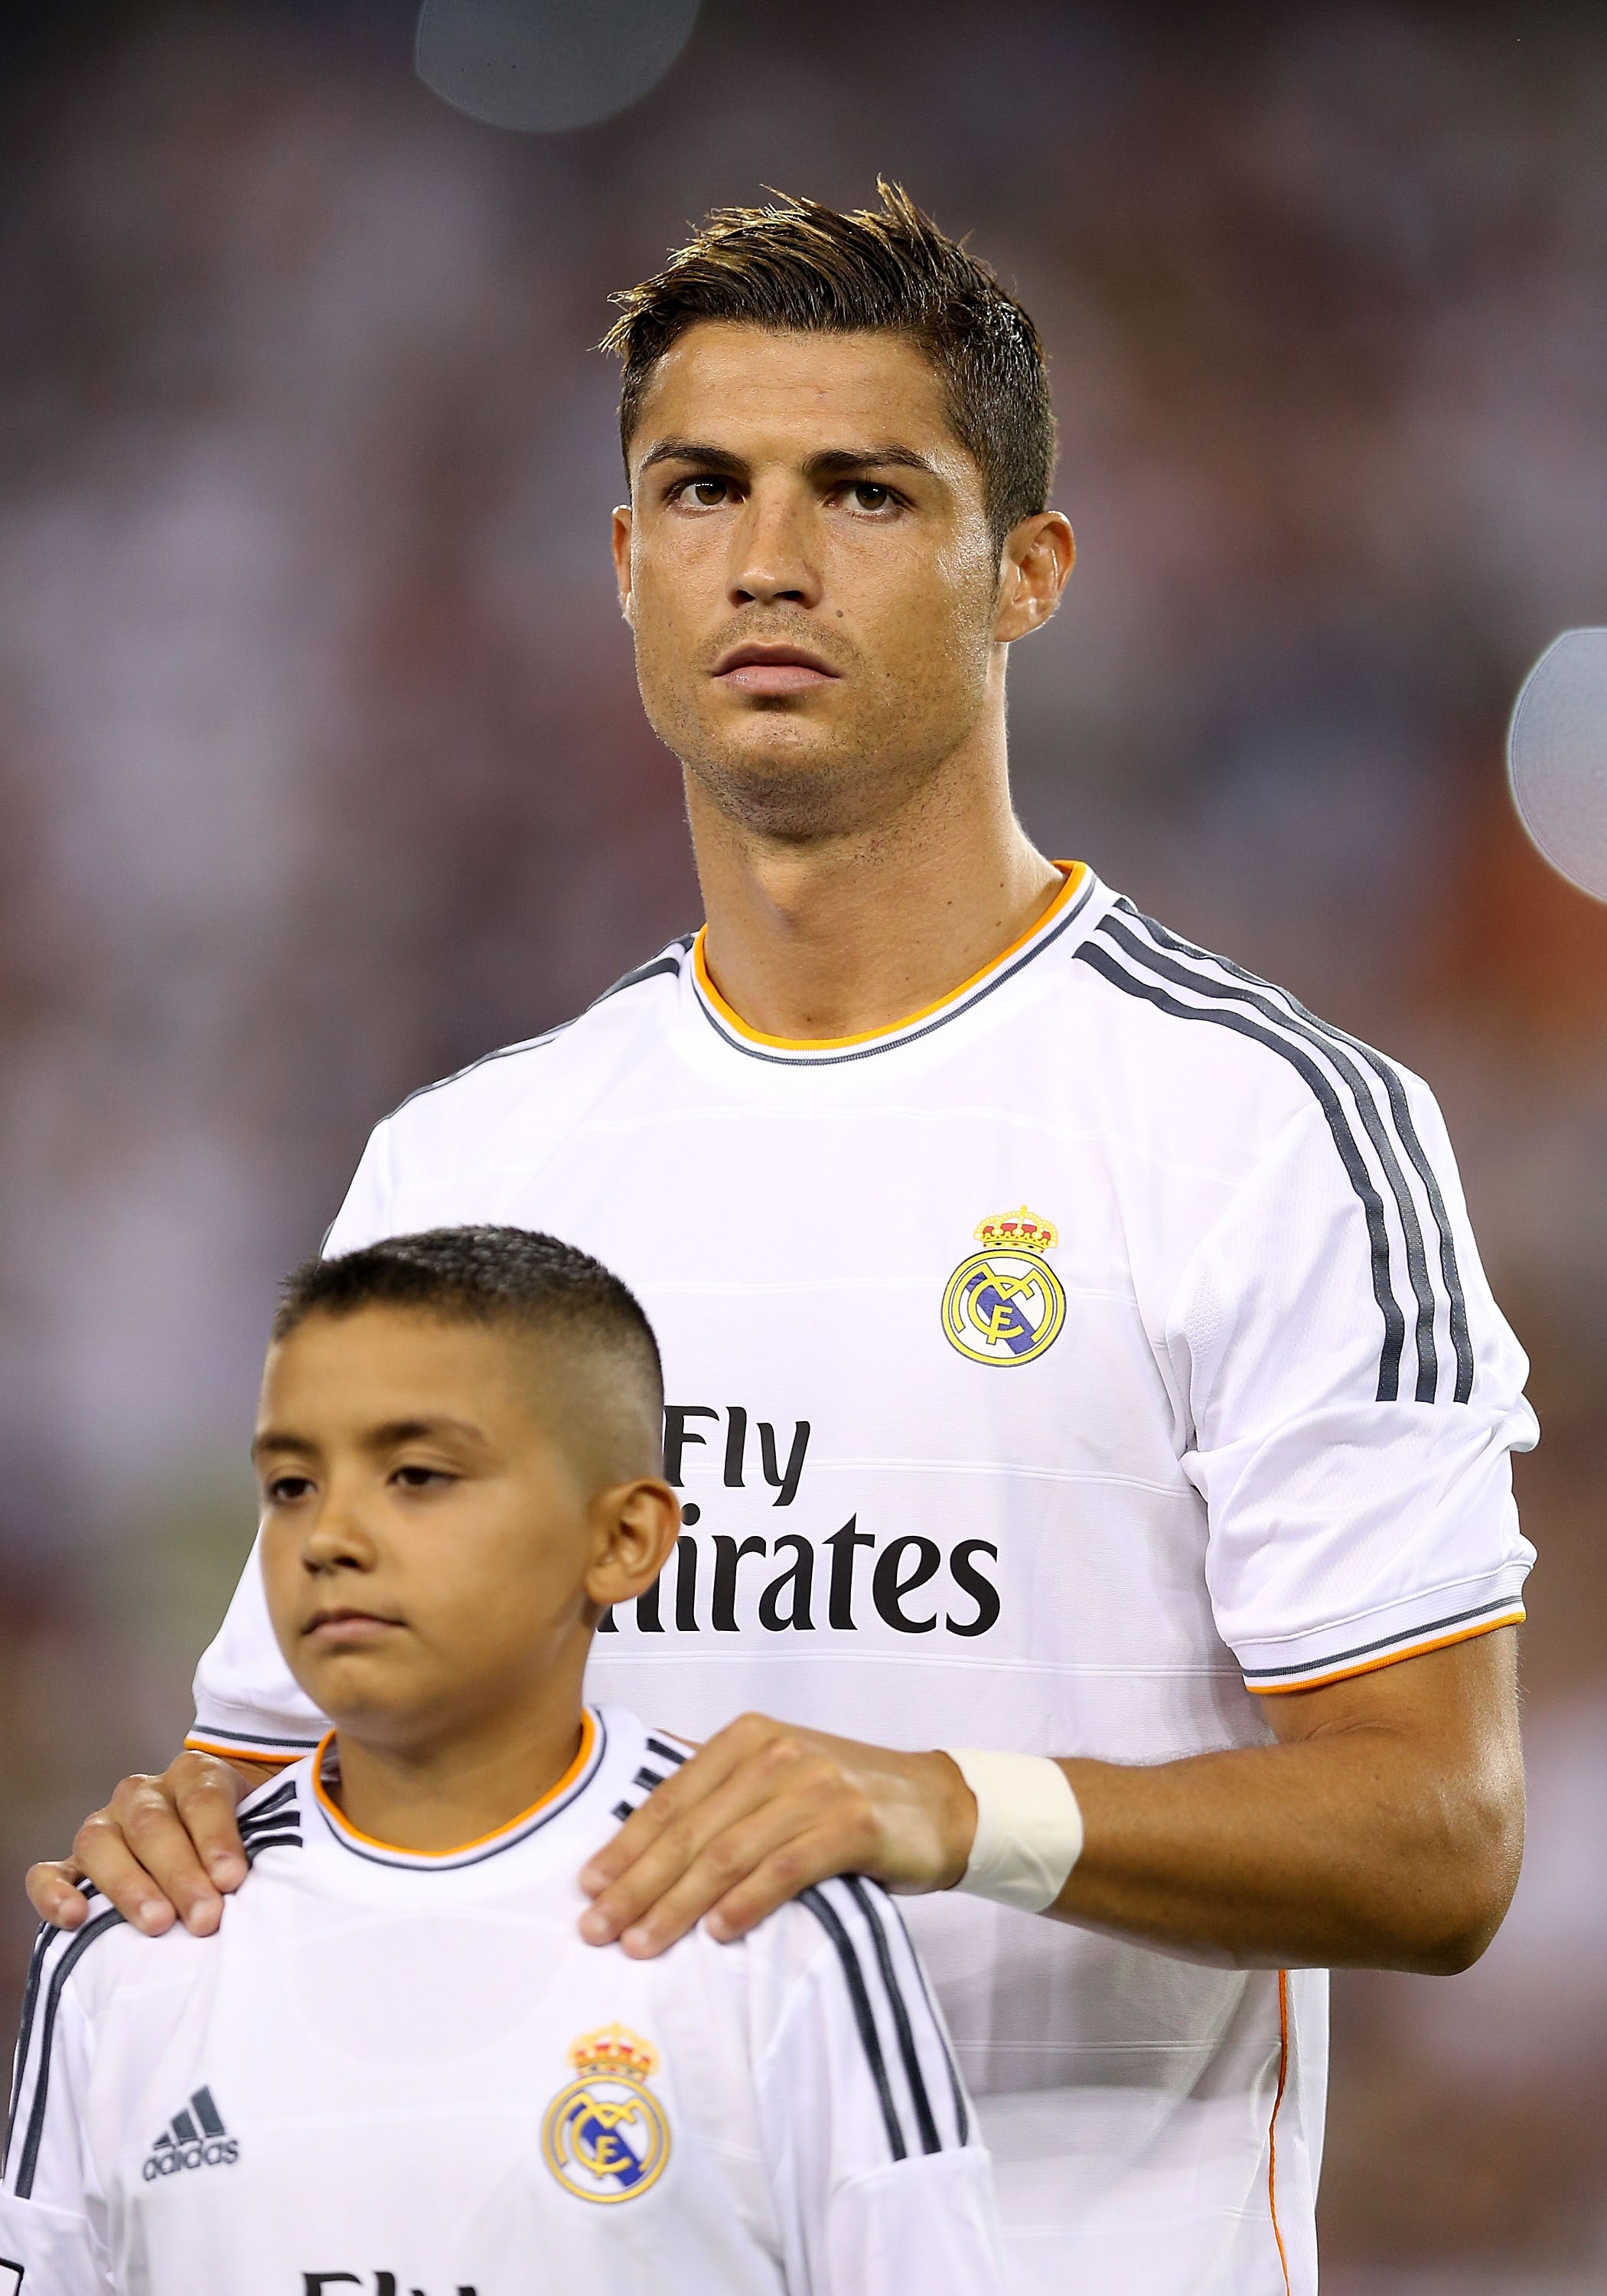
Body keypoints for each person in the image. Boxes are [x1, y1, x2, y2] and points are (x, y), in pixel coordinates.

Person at [28, 186, 1537, 2296]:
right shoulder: (470, 1164)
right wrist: (185, 1839)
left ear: (1025, 574)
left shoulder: (1265, 1129)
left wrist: (945, 1803)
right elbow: (276, 1785)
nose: (766, 558)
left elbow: (1442, 1837)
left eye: (862, 491)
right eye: (702, 488)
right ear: (625, 564)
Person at [2, 1227, 999, 2296]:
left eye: (418, 1475)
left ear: (624, 1540)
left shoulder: (777, 1929)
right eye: (292, 1483)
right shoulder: (129, 1944)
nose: (329, 1534)